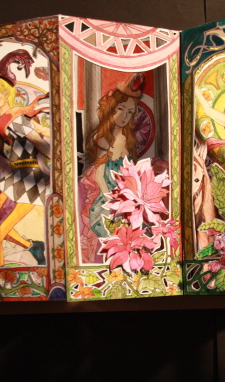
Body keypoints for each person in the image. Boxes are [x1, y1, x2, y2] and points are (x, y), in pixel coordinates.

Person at [0, 50, 51, 267]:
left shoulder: (15, 120)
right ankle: (32, 246)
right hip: (15, 176)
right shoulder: (6, 118)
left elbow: (42, 144)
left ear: (3, 94)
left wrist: (57, 166)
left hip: (30, 180)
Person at [78, 73, 144, 263]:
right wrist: (112, 199)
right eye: (120, 109)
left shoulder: (128, 139)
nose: (124, 116)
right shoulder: (104, 139)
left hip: (127, 193)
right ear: (111, 109)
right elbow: (99, 177)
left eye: (129, 112)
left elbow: (131, 171)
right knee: (110, 228)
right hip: (108, 194)